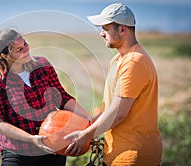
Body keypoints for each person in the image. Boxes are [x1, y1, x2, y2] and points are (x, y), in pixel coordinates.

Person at [64, 3, 162, 165]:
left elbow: (118, 113)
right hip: (116, 153)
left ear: (122, 29)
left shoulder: (134, 62)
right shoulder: (117, 60)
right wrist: (86, 128)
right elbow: (110, 109)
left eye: (106, 28)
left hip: (133, 155)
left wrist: (86, 136)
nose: (101, 34)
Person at [0, 29, 90, 166]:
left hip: (53, 146)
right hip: (18, 151)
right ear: (4, 55)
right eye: (19, 49)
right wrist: (32, 139)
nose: (26, 50)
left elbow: (62, 98)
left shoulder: (42, 66)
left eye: (25, 44)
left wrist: (89, 121)